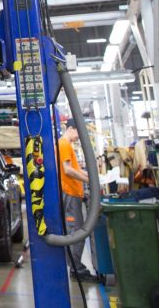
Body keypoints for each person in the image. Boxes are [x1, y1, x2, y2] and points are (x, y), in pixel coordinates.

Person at [58, 118, 97, 282]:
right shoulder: (64, 144)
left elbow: (75, 169)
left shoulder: (67, 145)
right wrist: (90, 181)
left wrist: (91, 176)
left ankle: (76, 267)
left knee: (77, 230)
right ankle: (77, 269)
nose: (78, 138)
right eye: (78, 134)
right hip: (69, 193)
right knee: (76, 231)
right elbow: (67, 171)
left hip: (73, 193)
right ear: (72, 129)